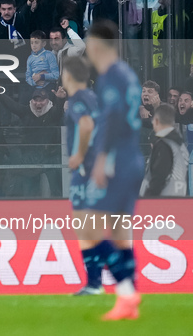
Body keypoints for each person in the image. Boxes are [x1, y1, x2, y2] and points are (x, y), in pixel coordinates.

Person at [85, 20, 145, 320]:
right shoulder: (128, 74)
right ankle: (127, 300)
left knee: (90, 228)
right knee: (121, 232)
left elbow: (112, 119)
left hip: (118, 161)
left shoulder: (110, 77)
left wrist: (101, 158)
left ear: (96, 45)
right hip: (133, 157)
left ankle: (127, 290)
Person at [61, 56, 101, 295]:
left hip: (85, 169)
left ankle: (95, 282)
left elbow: (86, 125)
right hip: (95, 167)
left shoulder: (78, 99)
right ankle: (94, 282)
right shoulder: (94, 98)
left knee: (84, 225)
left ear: (68, 75)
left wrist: (79, 154)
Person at [140, 104, 189, 197]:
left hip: (162, 203)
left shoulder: (164, 145)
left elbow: (159, 176)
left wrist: (147, 197)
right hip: (178, 200)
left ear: (157, 121)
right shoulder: (179, 144)